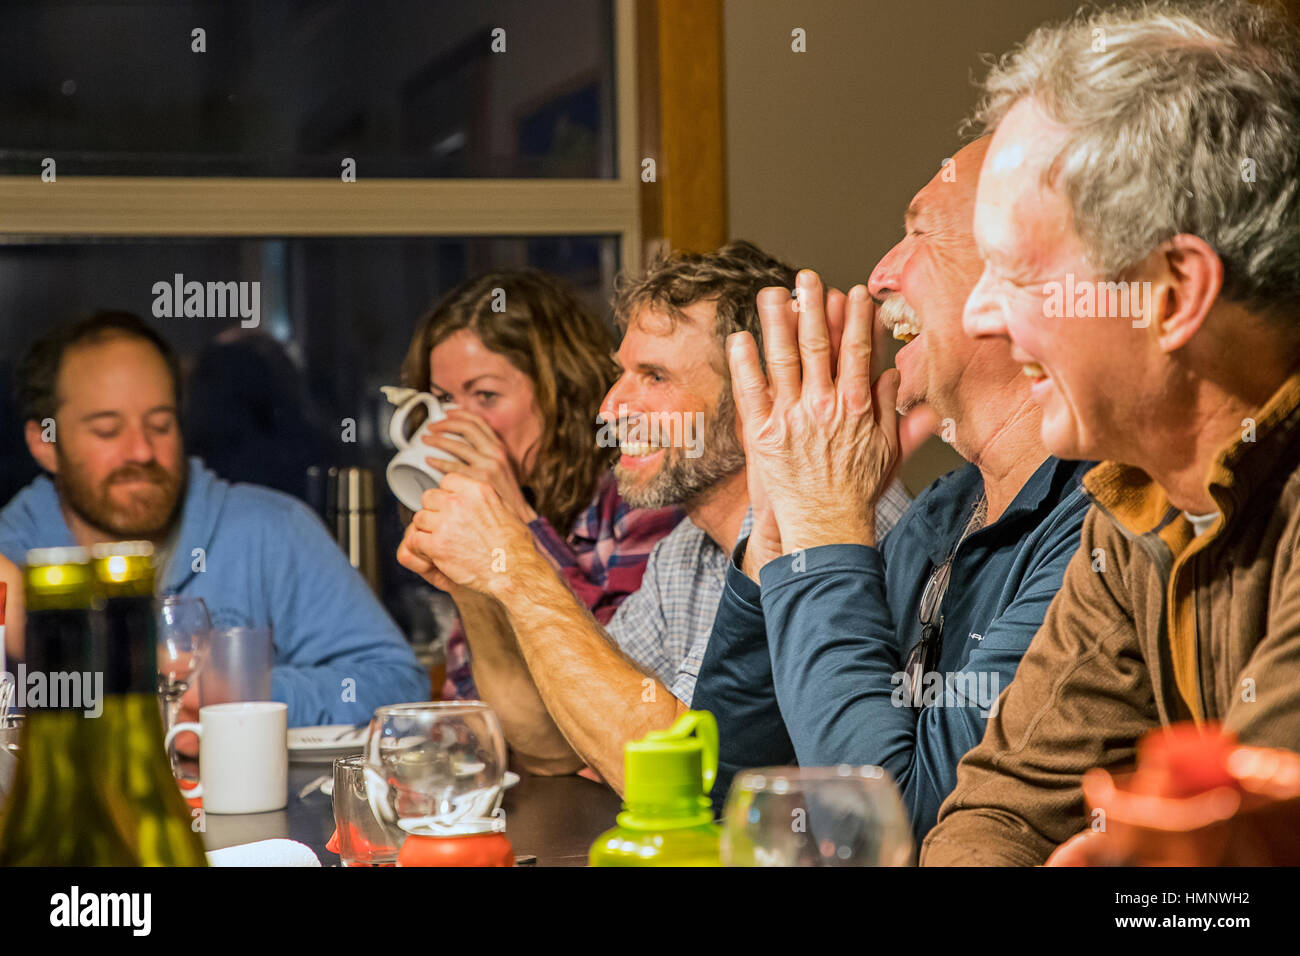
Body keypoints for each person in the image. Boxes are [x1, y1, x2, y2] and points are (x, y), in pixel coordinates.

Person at [923, 0, 1300, 865]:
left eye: (1014, 272)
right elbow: (998, 813)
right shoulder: (1131, 513)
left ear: (1172, 292)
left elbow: (1234, 861)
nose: (980, 315)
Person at [691, 136, 1094, 840]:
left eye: (918, 233)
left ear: (1025, 277)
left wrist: (823, 528)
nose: (878, 275)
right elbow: (731, 792)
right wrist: (783, 522)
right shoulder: (941, 512)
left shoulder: (1098, 524)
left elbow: (884, 828)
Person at [398, 241, 912, 789]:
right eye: (623, 374)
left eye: (655, 377)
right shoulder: (684, 552)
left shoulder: (834, 527)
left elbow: (676, 775)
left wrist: (516, 568)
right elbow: (555, 741)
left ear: (755, 397)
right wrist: (474, 584)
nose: (610, 408)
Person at [0, 311, 429, 727]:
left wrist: (241, 694)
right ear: (45, 443)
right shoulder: (10, 557)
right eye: (107, 431)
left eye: (161, 425)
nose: (142, 452)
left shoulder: (271, 530)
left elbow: (397, 684)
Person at [396, 270, 683, 703]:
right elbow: (472, 697)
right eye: (445, 400)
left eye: (486, 396)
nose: (456, 422)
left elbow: (621, 683)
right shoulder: (484, 521)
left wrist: (519, 522)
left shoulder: (639, 498)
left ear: (559, 393)